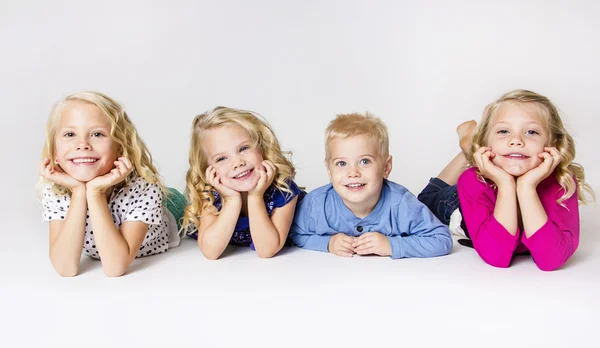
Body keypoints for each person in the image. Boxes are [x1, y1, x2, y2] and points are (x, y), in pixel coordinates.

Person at [418, 89, 594, 270]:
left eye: (531, 132)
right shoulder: (472, 181)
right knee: (424, 202)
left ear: (552, 145)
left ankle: (473, 144)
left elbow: (551, 260)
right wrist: (505, 184)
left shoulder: (562, 182)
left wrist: (526, 187)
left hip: (501, 172)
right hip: (462, 204)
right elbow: (497, 256)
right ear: (487, 144)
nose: (516, 140)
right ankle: (469, 144)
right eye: (503, 131)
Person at [39, 91, 185, 277]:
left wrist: (95, 193)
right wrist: (78, 192)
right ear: (55, 152)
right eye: (70, 134)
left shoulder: (144, 188)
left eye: (97, 134)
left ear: (120, 147)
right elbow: (65, 268)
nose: (82, 144)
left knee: (196, 204)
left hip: (173, 208)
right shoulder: (55, 190)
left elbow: (115, 267)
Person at [290, 112, 452, 258]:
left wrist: (390, 245)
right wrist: (327, 243)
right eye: (341, 163)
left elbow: (441, 239)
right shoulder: (317, 204)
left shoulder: (401, 203)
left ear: (386, 167)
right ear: (329, 170)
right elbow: (293, 234)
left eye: (364, 161)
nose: (353, 172)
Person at [182, 107, 305, 260]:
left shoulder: (283, 189)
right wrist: (231, 200)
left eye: (243, 148)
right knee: (176, 208)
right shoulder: (210, 193)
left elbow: (266, 250)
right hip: (179, 210)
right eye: (221, 158)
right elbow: (211, 252)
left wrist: (256, 197)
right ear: (208, 170)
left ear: (262, 148)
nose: (237, 162)